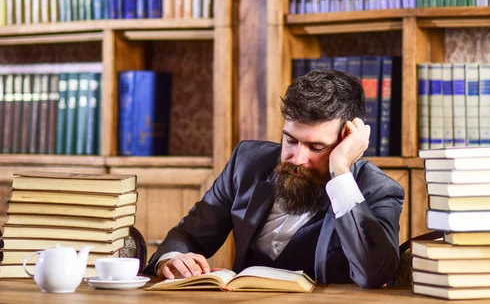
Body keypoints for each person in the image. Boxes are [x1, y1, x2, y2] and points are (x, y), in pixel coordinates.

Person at [142, 69, 404, 288]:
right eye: (291, 140)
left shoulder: (378, 190)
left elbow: (374, 274)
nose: (297, 158)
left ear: (346, 140)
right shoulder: (246, 162)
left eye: (316, 148)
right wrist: (173, 258)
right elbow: (189, 234)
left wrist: (339, 169)